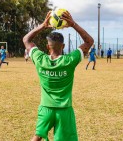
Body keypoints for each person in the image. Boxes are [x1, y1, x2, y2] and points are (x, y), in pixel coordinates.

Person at [23, 11, 93, 141]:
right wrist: (73, 24)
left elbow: (26, 39)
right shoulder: (70, 60)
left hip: (46, 108)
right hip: (64, 110)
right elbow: (89, 41)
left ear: (47, 46)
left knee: (37, 136)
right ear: (64, 46)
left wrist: (43, 25)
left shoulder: (40, 59)